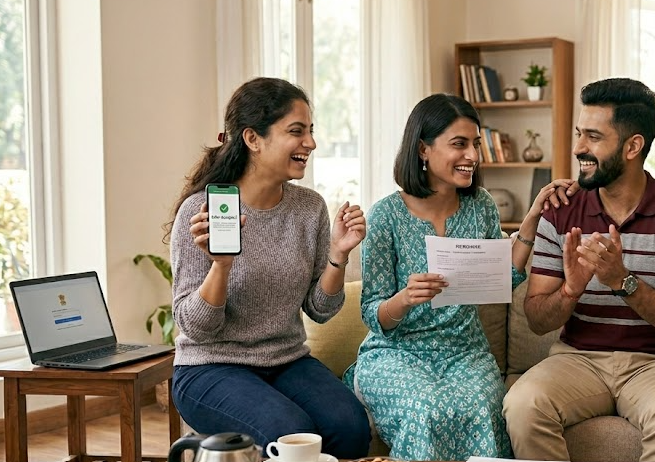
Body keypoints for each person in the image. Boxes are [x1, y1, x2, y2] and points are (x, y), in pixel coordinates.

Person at [344, 93, 578, 461]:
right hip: (397, 353)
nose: (473, 155)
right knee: (427, 412)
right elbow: (373, 314)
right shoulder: (385, 216)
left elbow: (503, 277)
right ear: (423, 149)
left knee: (485, 413)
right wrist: (404, 298)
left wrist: (531, 219)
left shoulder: (481, 205)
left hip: (464, 351)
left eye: (475, 144)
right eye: (459, 144)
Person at [502, 77, 655, 462]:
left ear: (633, 146)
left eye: (594, 137)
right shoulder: (561, 211)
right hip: (577, 359)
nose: (578, 148)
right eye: (580, 133)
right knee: (522, 404)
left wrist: (623, 281)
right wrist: (570, 291)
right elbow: (536, 319)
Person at [168, 77, 371, 458]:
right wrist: (222, 266)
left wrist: (338, 256)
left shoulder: (309, 208)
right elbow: (196, 327)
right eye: (296, 132)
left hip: (286, 360)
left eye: (310, 131)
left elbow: (321, 310)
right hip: (209, 367)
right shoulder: (200, 213)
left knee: (350, 426)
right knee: (291, 434)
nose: (310, 143)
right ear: (252, 139)